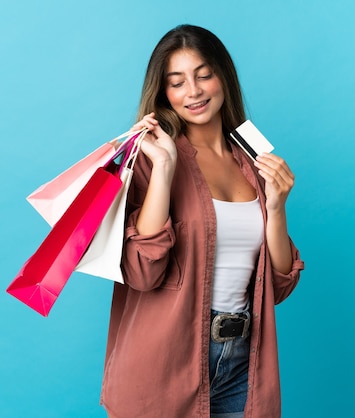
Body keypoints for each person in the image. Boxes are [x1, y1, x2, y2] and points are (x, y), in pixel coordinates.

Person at [100, 24, 304, 418]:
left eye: (203, 75)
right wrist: (163, 170)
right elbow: (142, 273)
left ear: (223, 77)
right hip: (165, 365)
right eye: (177, 82)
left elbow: (277, 285)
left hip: (244, 362)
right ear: (163, 93)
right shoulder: (149, 158)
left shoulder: (252, 161)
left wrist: (276, 207)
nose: (193, 92)